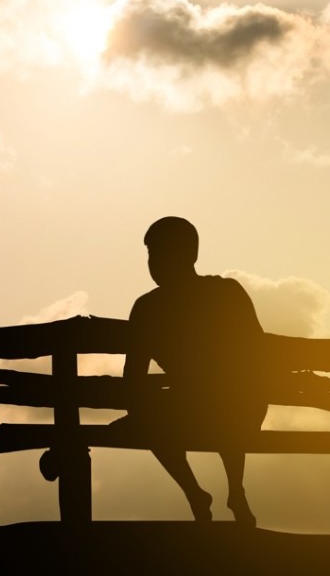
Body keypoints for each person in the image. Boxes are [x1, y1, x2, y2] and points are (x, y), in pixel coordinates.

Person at [121, 216, 266, 526]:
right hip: (238, 410)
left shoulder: (147, 308)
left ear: (189, 255)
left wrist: (137, 411)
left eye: (158, 254)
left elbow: (133, 376)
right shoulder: (226, 291)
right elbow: (257, 351)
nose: (154, 262)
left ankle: (197, 492)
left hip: (206, 409)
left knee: (157, 415)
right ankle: (232, 491)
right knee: (231, 395)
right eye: (151, 255)